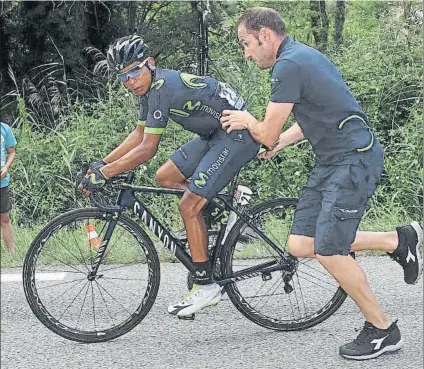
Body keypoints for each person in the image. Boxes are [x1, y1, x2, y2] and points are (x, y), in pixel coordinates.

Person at [220, 7, 423, 361]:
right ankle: (397, 240)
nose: (246, 53)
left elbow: (264, 133)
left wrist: (249, 121)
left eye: (246, 43)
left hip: (353, 159)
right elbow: (324, 112)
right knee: (301, 244)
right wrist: (282, 140)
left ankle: (383, 330)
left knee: (329, 250)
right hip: (333, 160)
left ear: (265, 35)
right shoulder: (302, 57)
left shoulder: (289, 65)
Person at [79, 35, 260, 317]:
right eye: (123, 77)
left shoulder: (162, 88)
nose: (130, 81)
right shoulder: (147, 90)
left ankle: (206, 286)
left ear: (149, 64)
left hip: (236, 134)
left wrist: (105, 173)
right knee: (166, 176)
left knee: (188, 206)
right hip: (214, 133)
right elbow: (138, 135)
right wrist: (104, 163)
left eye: (134, 71)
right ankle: (223, 206)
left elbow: (148, 149)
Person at [1, 122, 17, 255]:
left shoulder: (4, 129)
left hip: (2, 182)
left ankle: (12, 253)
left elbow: (11, 152)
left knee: (4, 218)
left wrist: (6, 168)